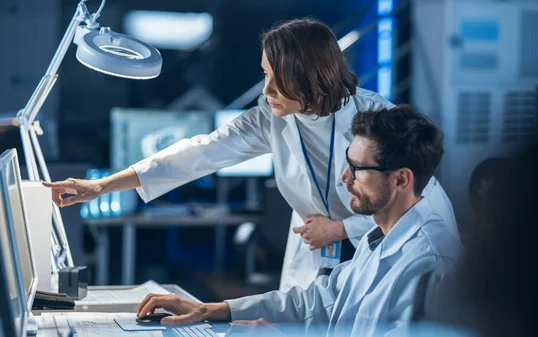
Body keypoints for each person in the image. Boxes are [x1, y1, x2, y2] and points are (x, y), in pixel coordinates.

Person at [41, 18, 457, 292]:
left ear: (311, 80)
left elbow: (415, 204)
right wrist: (101, 185)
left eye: (278, 81)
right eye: (265, 76)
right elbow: (199, 153)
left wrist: (341, 230)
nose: (266, 91)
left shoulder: (378, 122)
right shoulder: (271, 117)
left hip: (387, 253)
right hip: (316, 259)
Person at [135, 105, 462, 336]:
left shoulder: (433, 261)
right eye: (347, 163)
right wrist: (210, 309)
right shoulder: (377, 240)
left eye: (359, 169)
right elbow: (317, 301)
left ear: (402, 180)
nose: (345, 177)